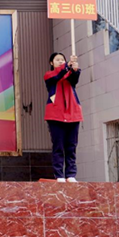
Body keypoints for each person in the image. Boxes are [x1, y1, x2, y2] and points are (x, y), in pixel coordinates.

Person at [44, 53, 83, 182]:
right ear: (51, 63)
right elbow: (57, 75)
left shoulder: (68, 74)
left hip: (73, 114)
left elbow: (74, 79)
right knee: (58, 146)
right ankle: (59, 175)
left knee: (71, 146)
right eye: (58, 60)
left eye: (62, 59)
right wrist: (67, 65)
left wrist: (75, 69)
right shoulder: (49, 75)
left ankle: (71, 175)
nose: (61, 61)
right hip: (55, 115)